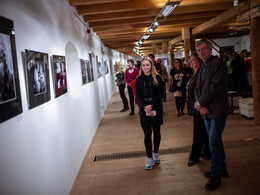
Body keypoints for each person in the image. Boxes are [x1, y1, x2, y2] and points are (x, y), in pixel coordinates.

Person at [194, 39, 229, 191]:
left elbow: (215, 87)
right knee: (214, 141)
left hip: (217, 110)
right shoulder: (203, 66)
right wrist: (201, 105)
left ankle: (216, 176)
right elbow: (197, 88)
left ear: (210, 49)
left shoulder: (218, 63)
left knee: (213, 142)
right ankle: (222, 168)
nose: (201, 52)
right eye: (198, 50)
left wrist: (200, 103)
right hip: (206, 111)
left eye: (203, 49)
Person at [135, 56, 163, 170]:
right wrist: (145, 107)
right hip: (144, 109)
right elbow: (138, 95)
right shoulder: (138, 79)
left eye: (147, 65)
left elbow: (161, 94)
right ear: (141, 67)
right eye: (143, 65)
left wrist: (151, 106)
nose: (146, 67)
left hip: (156, 107)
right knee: (147, 134)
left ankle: (155, 152)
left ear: (151, 66)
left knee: (156, 132)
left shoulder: (158, 77)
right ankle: (149, 158)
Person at [186, 52, 210, 166]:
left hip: (200, 107)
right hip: (195, 106)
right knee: (204, 131)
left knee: (198, 133)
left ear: (199, 62)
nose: (190, 62)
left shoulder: (201, 73)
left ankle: (194, 157)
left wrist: (200, 104)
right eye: (190, 60)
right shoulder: (194, 72)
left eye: (192, 60)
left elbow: (203, 91)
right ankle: (207, 152)